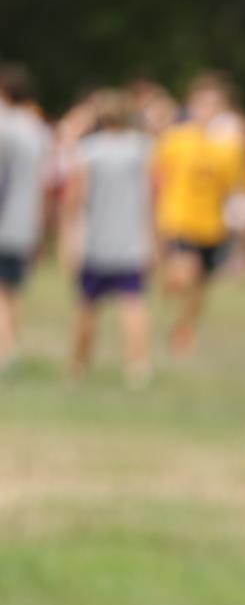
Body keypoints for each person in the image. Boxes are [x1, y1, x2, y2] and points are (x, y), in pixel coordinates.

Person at [153, 73, 245, 355]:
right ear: (192, 105)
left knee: (199, 287)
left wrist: (244, 216)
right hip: (178, 219)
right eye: (202, 103)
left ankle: (184, 329)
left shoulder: (230, 147)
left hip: (212, 225)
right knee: (186, 273)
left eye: (214, 105)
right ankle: (168, 287)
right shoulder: (175, 139)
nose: (207, 110)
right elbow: (158, 177)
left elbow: (239, 188)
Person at [62, 90, 154, 385]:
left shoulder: (89, 151)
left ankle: (79, 365)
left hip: (97, 240)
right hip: (131, 241)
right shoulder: (141, 149)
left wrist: (69, 237)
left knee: (87, 304)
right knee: (134, 302)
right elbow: (150, 196)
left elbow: (76, 199)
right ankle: (137, 367)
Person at [0, 63, 53, 371]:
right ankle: (12, 342)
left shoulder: (5, 127)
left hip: (3, 220)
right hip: (26, 222)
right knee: (13, 290)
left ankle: (6, 351)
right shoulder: (37, 128)